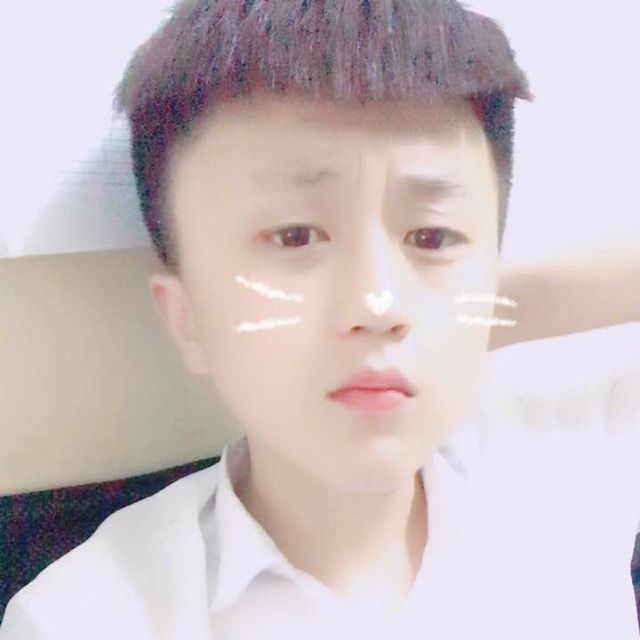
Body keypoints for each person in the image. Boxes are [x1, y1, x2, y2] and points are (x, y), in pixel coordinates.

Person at [1, 1, 638, 638]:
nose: (379, 305)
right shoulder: (85, 618)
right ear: (186, 318)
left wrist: (468, 313)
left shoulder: (564, 462)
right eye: (296, 236)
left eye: (433, 236)